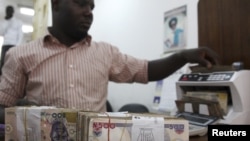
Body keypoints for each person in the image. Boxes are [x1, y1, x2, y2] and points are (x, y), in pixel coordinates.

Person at [0, 0, 220, 124]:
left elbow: (146, 70)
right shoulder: (20, 55)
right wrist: (23, 111)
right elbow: (3, 106)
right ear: (56, 5)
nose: (89, 12)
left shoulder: (105, 52)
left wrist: (181, 56)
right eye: (81, 4)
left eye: (92, 7)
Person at [0, 5, 23, 75]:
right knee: (3, 62)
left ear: (12, 12)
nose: (8, 13)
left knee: (12, 63)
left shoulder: (18, 22)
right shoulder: (3, 22)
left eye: (9, 11)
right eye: (7, 11)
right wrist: (6, 23)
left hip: (14, 45)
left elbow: (20, 35)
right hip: (5, 44)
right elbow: (1, 33)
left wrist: (17, 46)